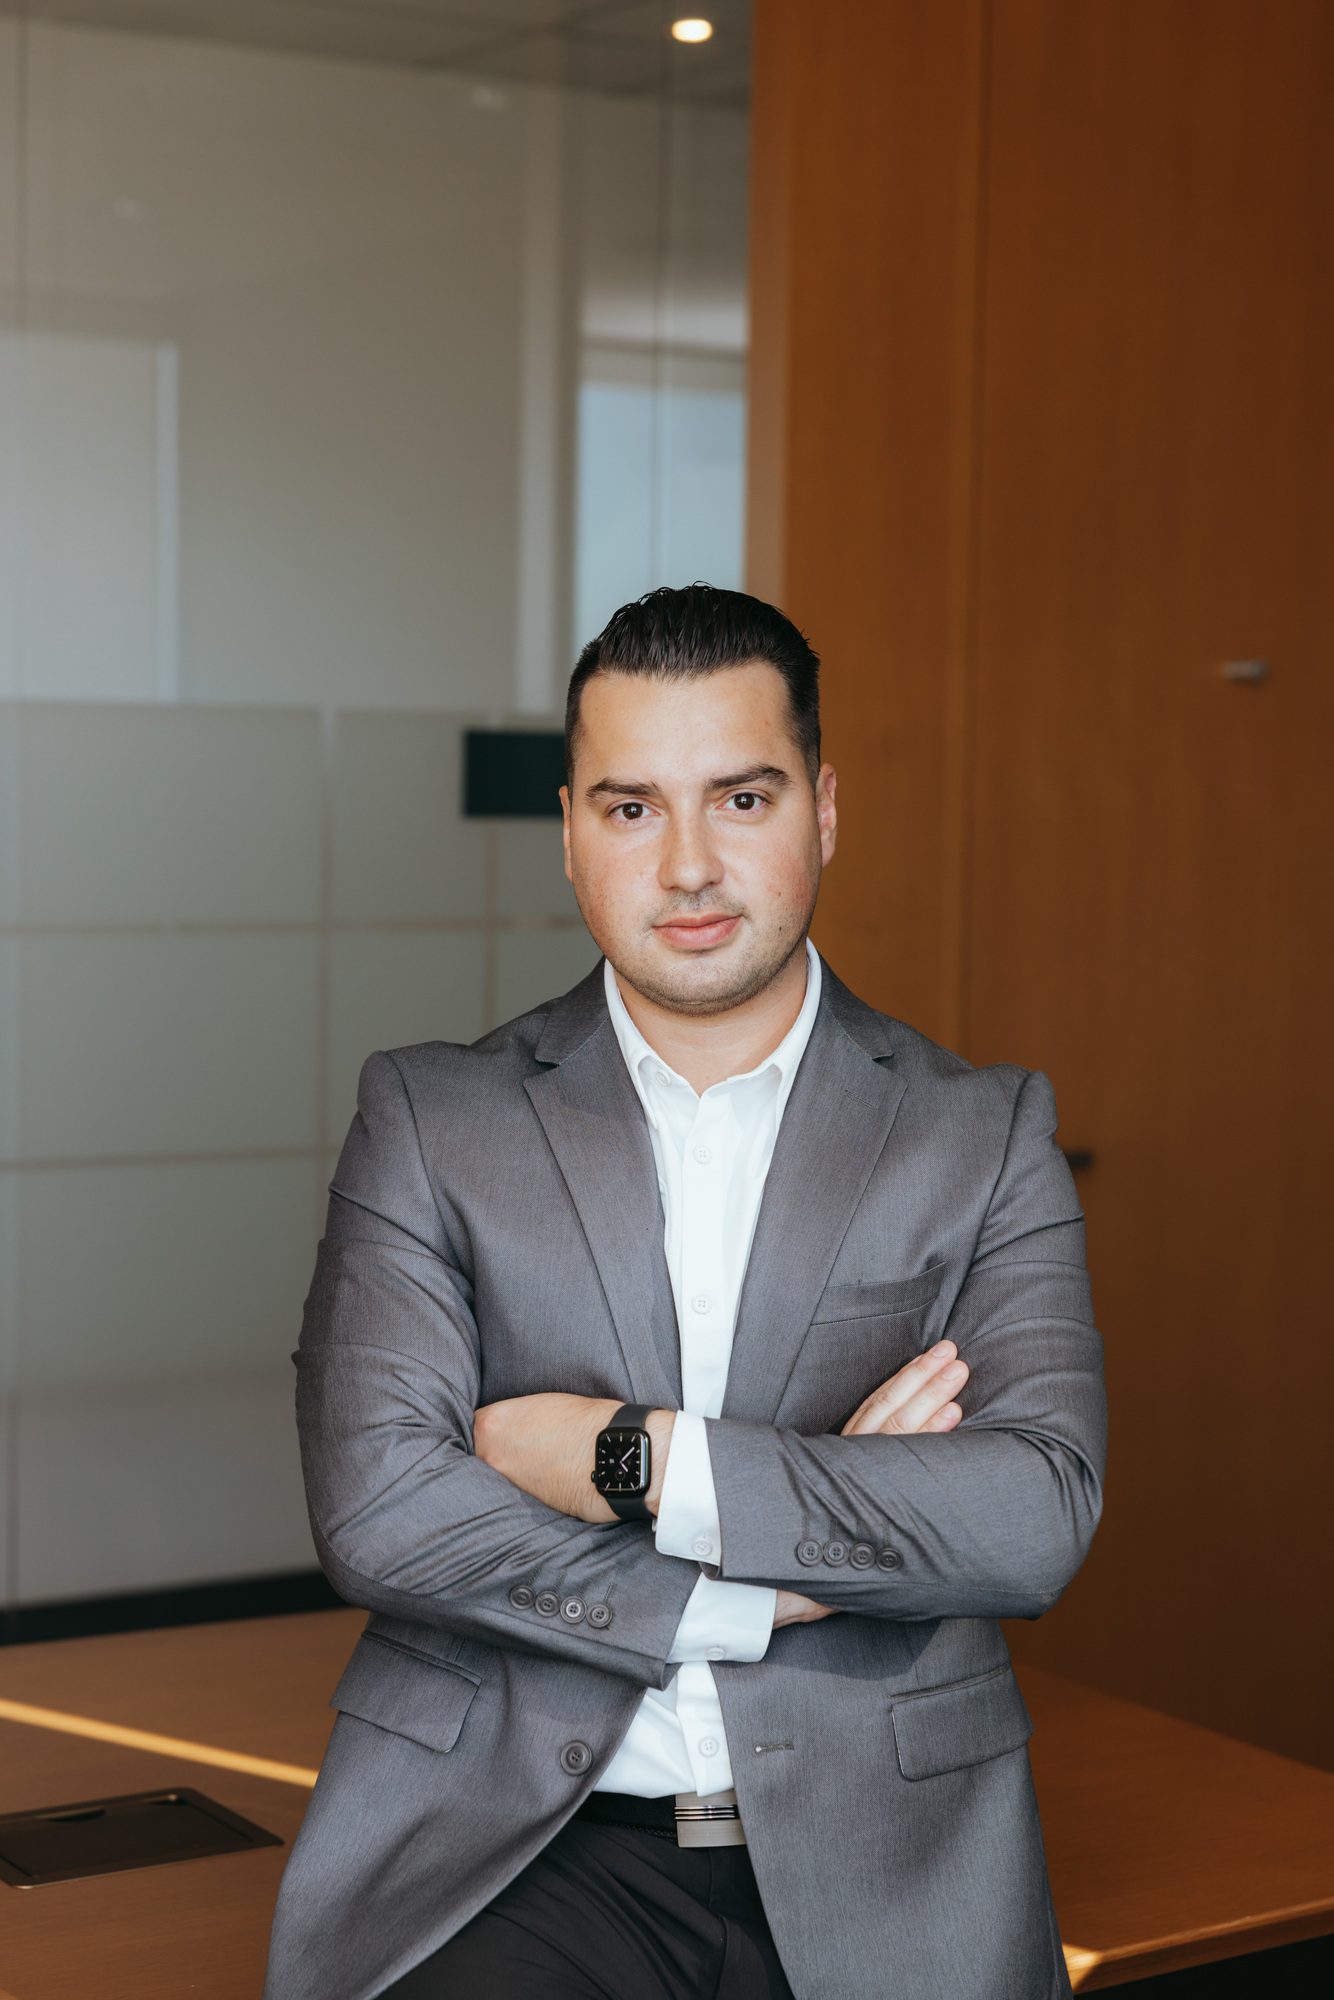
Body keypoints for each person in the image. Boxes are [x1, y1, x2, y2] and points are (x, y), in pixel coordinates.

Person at [262, 584, 1106, 2000]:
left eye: (743, 798)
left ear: (822, 812)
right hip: (514, 1854)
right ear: (572, 832)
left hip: (887, 1858)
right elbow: (381, 1508)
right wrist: (767, 1593)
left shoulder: (981, 1132)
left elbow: (1030, 1518)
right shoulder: (432, 1119)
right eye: (632, 808)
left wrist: (633, 1457)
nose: (690, 866)